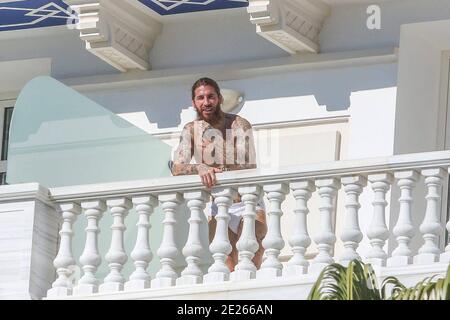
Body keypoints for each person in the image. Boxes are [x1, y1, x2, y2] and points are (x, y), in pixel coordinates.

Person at [171, 77, 267, 271]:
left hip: (247, 200)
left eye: (210, 96)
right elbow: (177, 168)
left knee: (252, 255)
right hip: (220, 204)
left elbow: (248, 164)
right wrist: (199, 167)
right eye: (200, 98)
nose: (206, 102)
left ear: (220, 98)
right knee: (225, 261)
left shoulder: (239, 124)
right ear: (194, 102)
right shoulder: (191, 130)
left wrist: (218, 147)